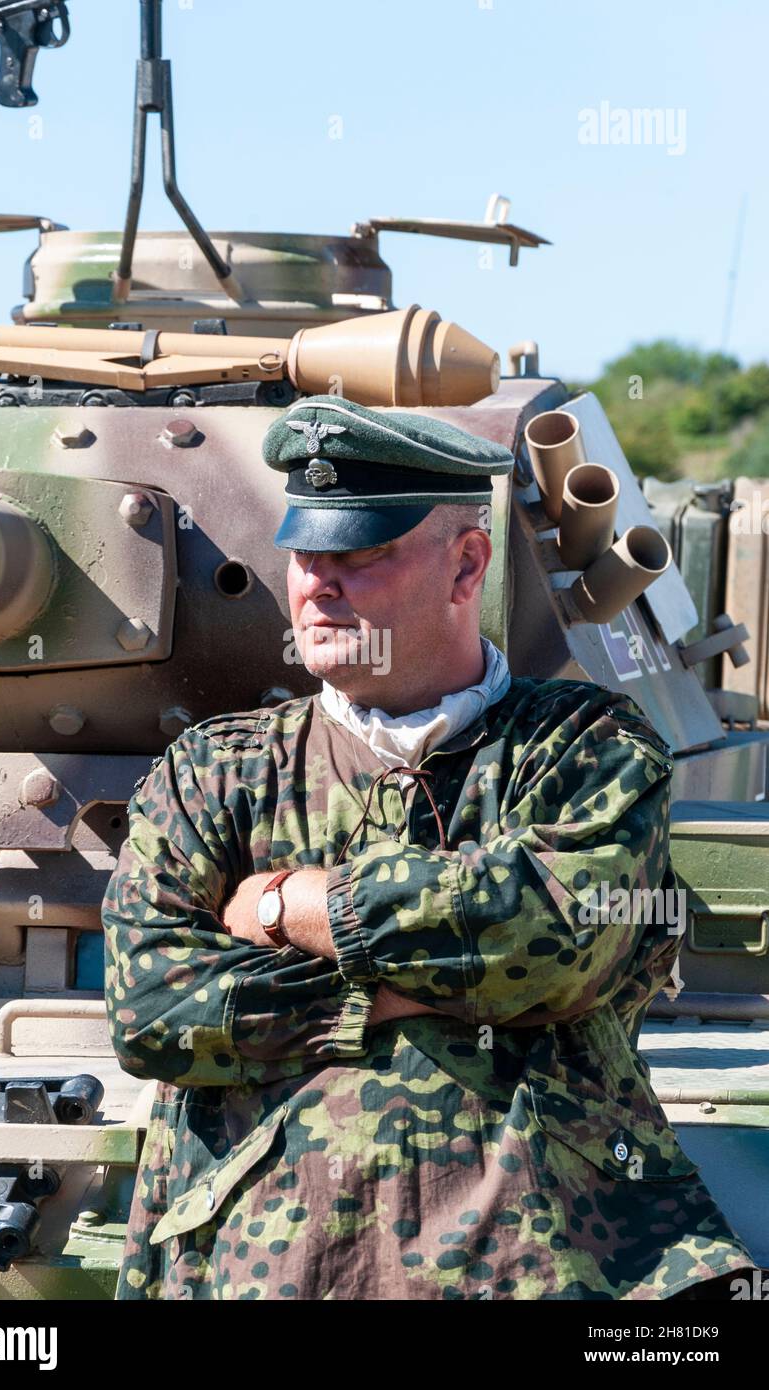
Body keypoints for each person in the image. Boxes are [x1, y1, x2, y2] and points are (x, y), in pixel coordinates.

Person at [102, 393, 755, 1300]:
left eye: (360, 552)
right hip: (269, 1268)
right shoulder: (218, 769)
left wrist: (293, 905)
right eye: (304, 551)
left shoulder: (585, 747)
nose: (316, 582)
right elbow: (152, 1007)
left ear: (466, 565)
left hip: (550, 1265)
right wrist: (404, 991)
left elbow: (551, 942)